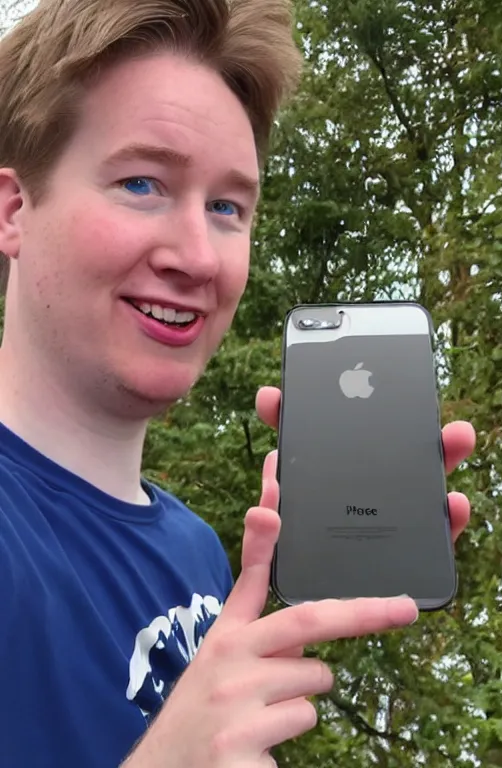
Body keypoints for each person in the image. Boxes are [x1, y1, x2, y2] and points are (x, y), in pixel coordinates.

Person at [0, 0, 476, 766]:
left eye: (227, 207)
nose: (199, 255)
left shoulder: (196, 553)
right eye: (143, 184)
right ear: (15, 209)